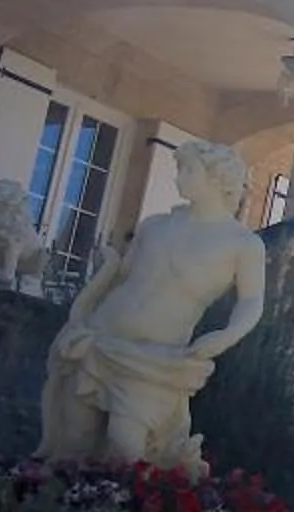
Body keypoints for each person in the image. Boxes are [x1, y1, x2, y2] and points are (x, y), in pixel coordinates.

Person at [36, 137, 267, 472]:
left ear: (218, 178)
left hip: (155, 359)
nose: (178, 178)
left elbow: (252, 301)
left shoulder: (242, 244)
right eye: (179, 169)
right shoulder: (155, 225)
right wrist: (98, 283)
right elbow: (122, 278)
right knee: (74, 443)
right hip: (100, 337)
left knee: (126, 448)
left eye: (188, 170)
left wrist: (224, 337)